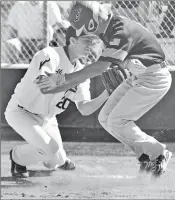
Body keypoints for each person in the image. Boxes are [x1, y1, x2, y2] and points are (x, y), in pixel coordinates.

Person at [36, 1, 173, 177]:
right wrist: (127, 63)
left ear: (92, 22)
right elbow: (121, 59)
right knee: (105, 118)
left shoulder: (119, 30)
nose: (86, 32)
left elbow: (98, 68)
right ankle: (145, 156)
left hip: (154, 78)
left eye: (85, 27)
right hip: (138, 76)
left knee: (117, 120)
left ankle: (158, 152)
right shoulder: (109, 28)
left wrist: (62, 78)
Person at [5, 32, 107, 178]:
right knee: (50, 149)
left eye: (93, 41)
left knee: (54, 162)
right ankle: (17, 157)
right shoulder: (49, 54)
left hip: (48, 118)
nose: (91, 45)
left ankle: (56, 158)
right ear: (72, 40)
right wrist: (72, 79)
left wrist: (107, 95)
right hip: (21, 112)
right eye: (87, 40)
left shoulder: (82, 72)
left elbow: (84, 109)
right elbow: (44, 84)